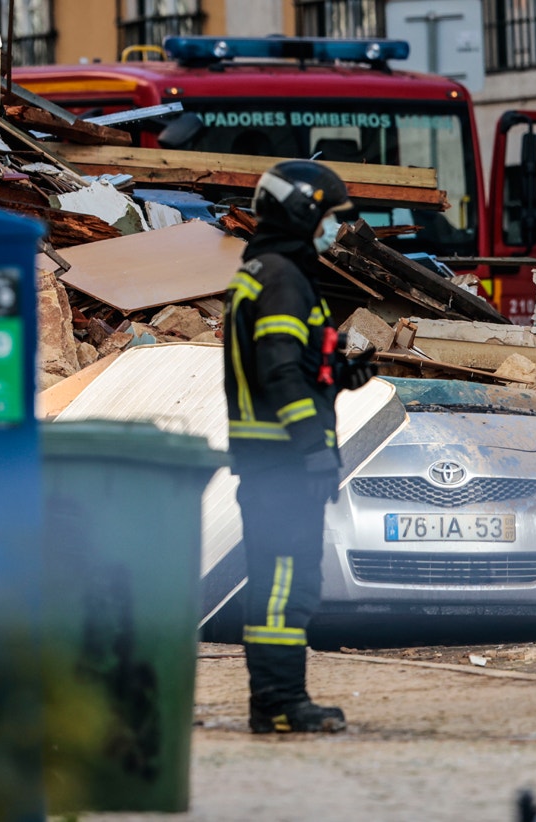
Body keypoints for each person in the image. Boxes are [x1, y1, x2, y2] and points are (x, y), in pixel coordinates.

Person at [223, 160, 376, 734]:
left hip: (266, 462)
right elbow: (280, 372)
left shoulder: (263, 270)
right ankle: (281, 703)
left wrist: (339, 377)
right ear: (301, 213)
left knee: (279, 581)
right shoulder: (284, 278)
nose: (336, 229)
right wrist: (313, 448)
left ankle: (275, 701)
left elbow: (289, 367)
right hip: (283, 464)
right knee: (289, 584)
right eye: (329, 217)